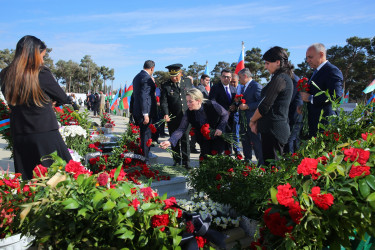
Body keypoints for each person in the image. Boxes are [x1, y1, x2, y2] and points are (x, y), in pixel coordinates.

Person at [0, 35, 73, 180]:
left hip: (20, 134)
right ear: (34, 54)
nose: (43, 60)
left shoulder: (5, 74)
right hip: (45, 133)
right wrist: (50, 101)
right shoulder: (41, 73)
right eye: (42, 56)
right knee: (61, 178)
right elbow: (62, 97)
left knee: (29, 181)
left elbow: (10, 100)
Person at [249, 46, 293, 165]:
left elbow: (265, 105)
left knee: (274, 171)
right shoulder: (279, 78)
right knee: (271, 170)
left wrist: (252, 120)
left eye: (268, 63)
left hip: (275, 132)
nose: (265, 66)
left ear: (278, 62)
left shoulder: (281, 78)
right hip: (271, 130)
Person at [160, 88, 228, 162]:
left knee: (216, 162)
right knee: (204, 162)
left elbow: (225, 114)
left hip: (217, 137)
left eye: (190, 101)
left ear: (198, 101)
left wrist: (220, 128)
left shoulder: (212, 104)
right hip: (203, 140)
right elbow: (181, 129)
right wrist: (170, 141)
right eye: (187, 101)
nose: (187, 104)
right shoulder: (188, 113)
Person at [300, 43, 344, 137]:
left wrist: (311, 98)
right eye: (307, 58)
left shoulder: (331, 71)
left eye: (310, 57)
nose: (308, 60)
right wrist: (304, 107)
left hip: (324, 126)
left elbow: (336, 97)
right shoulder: (316, 72)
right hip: (314, 124)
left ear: (321, 54)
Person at [160, 63, 193, 168]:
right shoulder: (166, 86)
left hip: (186, 117)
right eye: (172, 76)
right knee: (174, 140)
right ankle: (177, 161)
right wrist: (165, 114)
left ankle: (186, 163)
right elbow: (164, 102)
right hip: (173, 118)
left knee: (185, 140)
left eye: (176, 76)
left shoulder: (187, 82)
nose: (174, 78)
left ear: (181, 73)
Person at [236, 68, 263, 164]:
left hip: (253, 120)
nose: (238, 79)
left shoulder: (256, 86)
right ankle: (247, 162)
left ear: (245, 76)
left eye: (239, 77)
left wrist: (248, 106)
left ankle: (261, 164)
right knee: (245, 142)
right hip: (243, 121)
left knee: (256, 143)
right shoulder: (243, 87)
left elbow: (261, 102)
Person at [132, 60, 157, 163]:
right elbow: (144, 96)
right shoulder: (147, 78)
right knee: (146, 136)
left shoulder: (137, 77)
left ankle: (142, 157)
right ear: (152, 68)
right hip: (145, 113)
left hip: (138, 111)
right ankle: (145, 159)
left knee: (143, 136)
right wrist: (145, 114)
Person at [209, 69, 237, 154]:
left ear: (231, 78)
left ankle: (228, 158)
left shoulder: (233, 89)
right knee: (219, 143)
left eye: (228, 77)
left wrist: (234, 106)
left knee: (228, 142)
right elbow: (212, 102)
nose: (226, 78)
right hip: (219, 119)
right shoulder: (215, 88)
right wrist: (224, 112)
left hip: (230, 120)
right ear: (221, 77)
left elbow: (235, 102)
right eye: (224, 76)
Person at [287, 73, 303, 153]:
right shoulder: (292, 79)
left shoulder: (295, 80)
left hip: (296, 116)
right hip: (292, 115)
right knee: (294, 140)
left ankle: (290, 160)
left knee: (291, 139)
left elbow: (288, 98)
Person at [230, 73, 241, 156]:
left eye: (234, 82)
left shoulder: (242, 89)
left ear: (238, 81)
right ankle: (228, 150)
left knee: (236, 134)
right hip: (228, 114)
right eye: (231, 82)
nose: (232, 84)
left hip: (238, 115)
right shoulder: (228, 89)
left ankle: (237, 150)